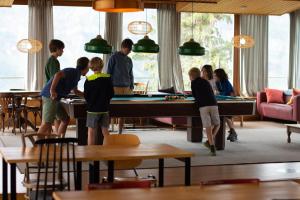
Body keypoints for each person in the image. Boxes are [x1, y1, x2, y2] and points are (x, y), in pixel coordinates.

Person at [38, 57, 89, 137]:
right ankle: (37, 145)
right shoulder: (73, 71)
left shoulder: (77, 76)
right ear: (86, 67)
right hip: (50, 96)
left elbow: (75, 91)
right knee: (47, 122)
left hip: (56, 98)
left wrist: (89, 96)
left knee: (65, 119)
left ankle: (60, 140)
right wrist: (52, 90)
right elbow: (58, 74)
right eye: (89, 68)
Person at [189, 67, 220, 156]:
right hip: (213, 104)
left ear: (191, 76)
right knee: (217, 123)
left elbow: (194, 95)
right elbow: (211, 92)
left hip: (203, 106)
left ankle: (212, 146)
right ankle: (210, 141)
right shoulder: (206, 81)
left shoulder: (193, 82)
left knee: (208, 126)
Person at [84, 57, 114, 145]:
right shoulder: (108, 78)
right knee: (105, 132)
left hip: (92, 110)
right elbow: (111, 94)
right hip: (104, 109)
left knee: (91, 132)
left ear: (91, 67)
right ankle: (107, 152)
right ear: (102, 66)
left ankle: (91, 153)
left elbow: (86, 96)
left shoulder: (89, 79)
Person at [106, 38, 134, 133]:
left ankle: (120, 132)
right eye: (128, 49)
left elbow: (131, 74)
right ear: (123, 47)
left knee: (123, 111)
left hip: (127, 88)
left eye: (130, 50)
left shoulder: (129, 60)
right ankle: (108, 129)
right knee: (112, 109)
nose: (130, 51)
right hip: (115, 87)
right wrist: (108, 86)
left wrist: (132, 86)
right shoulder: (113, 57)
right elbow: (108, 73)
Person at [45, 39, 65, 134]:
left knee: (59, 119)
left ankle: (58, 140)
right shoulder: (54, 61)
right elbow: (55, 77)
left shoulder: (52, 60)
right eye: (61, 49)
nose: (62, 51)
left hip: (51, 93)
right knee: (47, 123)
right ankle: (38, 144)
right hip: (51, 94)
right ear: (57, 49)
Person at [213, 68, 237, 142]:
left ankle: (233, 132)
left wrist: (218, 93)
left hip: (230, 102)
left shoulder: (225, 82)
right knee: (222, 115)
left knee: (224, 115)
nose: (214, 77)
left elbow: (227, 93)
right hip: (222, 101)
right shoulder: (217, 82)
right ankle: (232, 131)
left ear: (219, 76)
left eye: (215, 75)